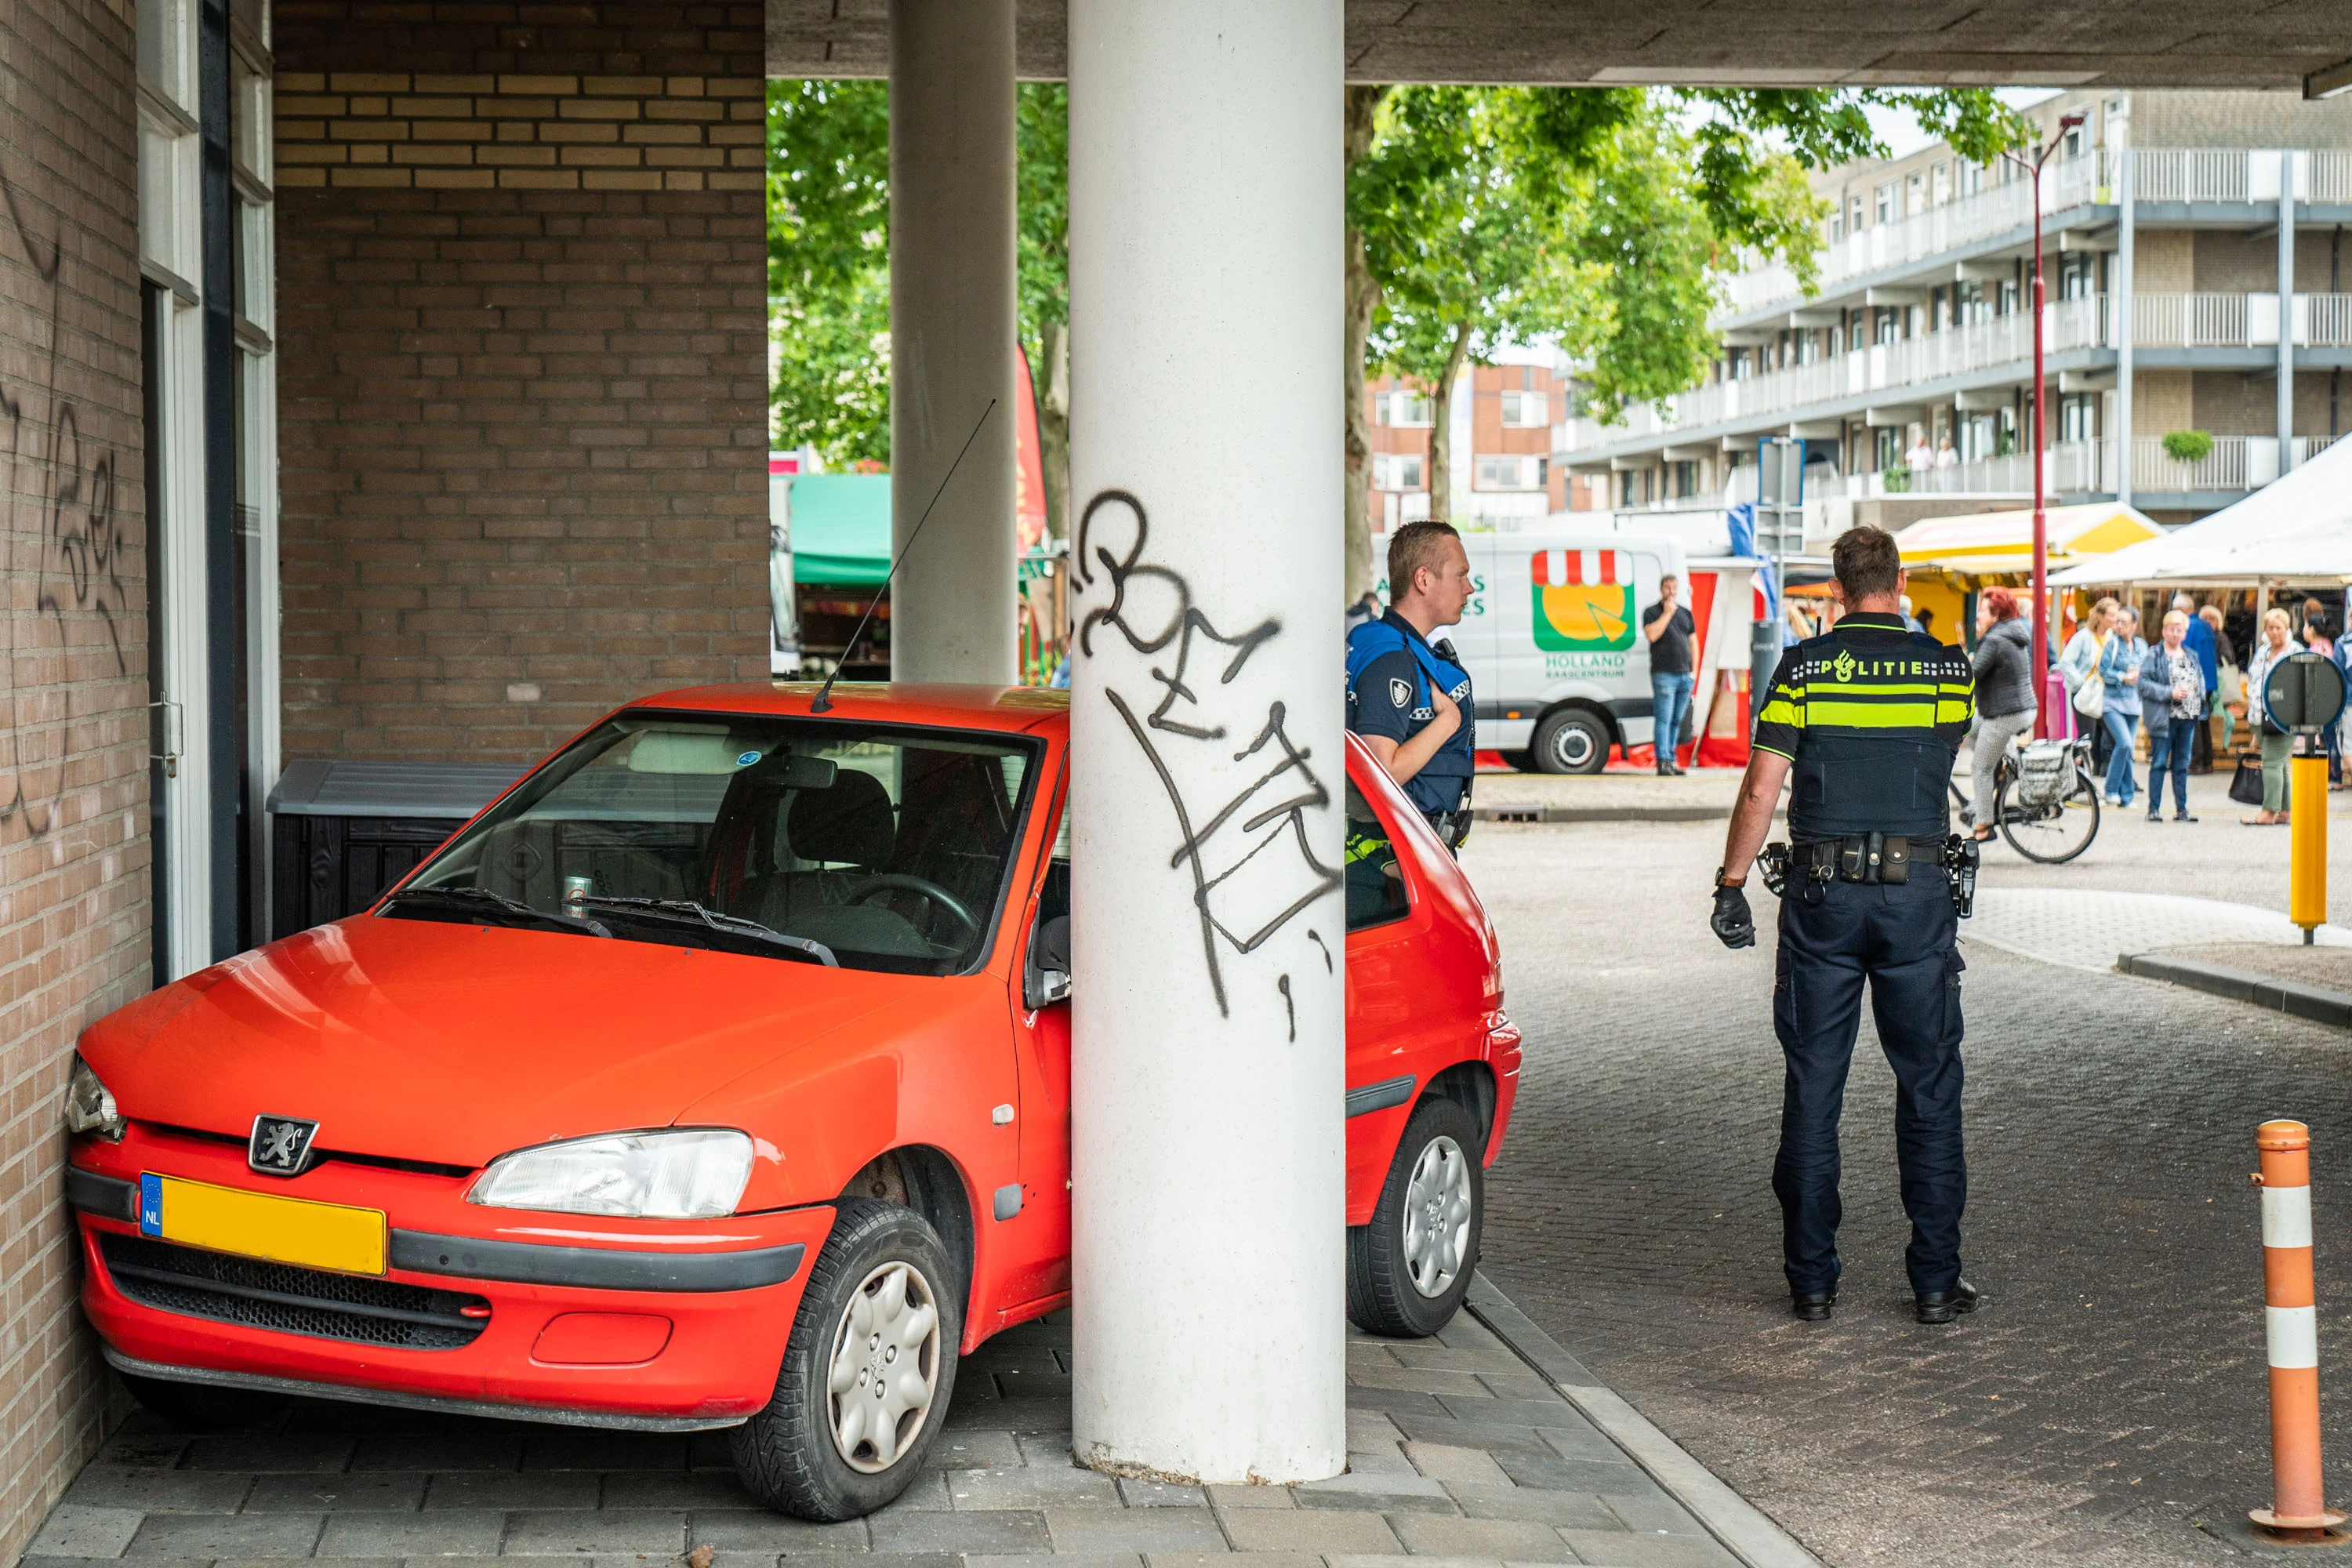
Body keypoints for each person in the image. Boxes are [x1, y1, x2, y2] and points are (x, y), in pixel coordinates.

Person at [1706, 525, 1980, 1328]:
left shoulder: (1804, 666)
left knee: (1815, 1084)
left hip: (1821, 898)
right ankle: (1935, 1280)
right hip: (1918, 895)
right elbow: (1939, 754)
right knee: (1928, 1086)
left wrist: (1730, 882)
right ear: (1899, 582)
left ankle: (1812, 1282)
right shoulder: (1942, 667)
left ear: (1836, 586)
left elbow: (1762, 787)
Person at [1346, 520, 1476, 848]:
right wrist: (1448, 722)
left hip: (1406, 852)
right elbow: (1380, 771)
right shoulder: (1392, 659)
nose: (1469, 588)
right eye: (1460, 575)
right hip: (1392, 863)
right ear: (1423, 579)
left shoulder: (1389, 643)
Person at [1968, 588, 2035, 844]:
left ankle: (1984, 825)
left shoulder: (1994, 640)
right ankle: (2003, 764)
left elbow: (1971, 675)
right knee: (1968, 729)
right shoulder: (2012, 632)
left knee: (1980, 767)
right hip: (2019, 709)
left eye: (1982, 612)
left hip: (2006, 713)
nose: (1978, 618)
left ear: (1995, 615)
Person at [2140, 609, 2205, 822]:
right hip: (2163, 716)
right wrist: (2170, 693)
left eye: (2179, 630)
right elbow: (2143, 684)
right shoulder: (2154, 655)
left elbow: (2199, 679)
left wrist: (2199, 701)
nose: (2175, 634)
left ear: (2185, 633)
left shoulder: (2191, 655)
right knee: (2159, 762)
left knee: (2182, 764)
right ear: (2163, 631)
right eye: (2171, 629)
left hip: (2188, 717)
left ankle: (2182, 809)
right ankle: (2154, 809)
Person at [2245, 608, 2296, 826]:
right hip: (2259, 716)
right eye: (2270, 628)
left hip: (2282, 717)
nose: (2274, 632)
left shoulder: (2295, 652)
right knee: (2281, 764)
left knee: (2272, 762)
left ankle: (2269, 811)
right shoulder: (2263, 651)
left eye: (2279, 628)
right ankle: (2285, 811)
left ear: (2287, 628)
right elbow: (2254, 679)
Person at [1642, 574, 1697, 775]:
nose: (1671, 592)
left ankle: (1671, 760)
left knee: (1677, 720)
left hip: (1685, 676)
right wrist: (1666, 614)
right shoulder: (1652, 612)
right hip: (1664, 675)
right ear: (1661, 589)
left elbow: (1693, 642)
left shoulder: (1685, 613)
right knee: (1664, 719)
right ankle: (1662, 761)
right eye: (1668, 588)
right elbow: (1652, 635)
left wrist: (1694, 671)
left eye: (1674, 588)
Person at [2098, 606, 2146, 808]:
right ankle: (2110, 790)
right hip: (2112, 702)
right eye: (2117, 621)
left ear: (2134, 625)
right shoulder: (2112, 645)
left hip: (2133, 704)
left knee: (2127, 750)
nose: (2118, 626)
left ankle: (2127, 797)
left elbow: (2148, 669)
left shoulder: (2142, 646)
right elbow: (2103, 671)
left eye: (2123, 622)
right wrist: (2122, 677)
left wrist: (2140, 677)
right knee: (2124, 743)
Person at [2057, 597, 2114, 750]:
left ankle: (2101, 768)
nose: (2114, 619)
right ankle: (2085, 767)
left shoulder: (2112, 638)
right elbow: (2066, 661)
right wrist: (2079, 683)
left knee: (2108, 732)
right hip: (2084, 690)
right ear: (2100, 616)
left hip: (2103, 691)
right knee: (2088, 734)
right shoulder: (2084, 636)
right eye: (2111, 615)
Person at [2177, 593, 2220, 772]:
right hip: (2209, 680)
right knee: (2203, 720)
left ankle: (2195, 762)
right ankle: (2207, 761)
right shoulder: (2204, 624)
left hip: (2195, 680)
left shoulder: (2188, 626)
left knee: (2192, 720)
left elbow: (2184, 654)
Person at [2308, 616, 2343, 787]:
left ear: (2311, 629)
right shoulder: (2328, 646)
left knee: (2330, 739)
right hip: (2329, 700)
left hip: (2324, 701)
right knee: (2329, 739)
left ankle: (2335, 778)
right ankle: (2332, 776)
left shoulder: (2318, 648)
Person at [2201, 604, 2238, 757]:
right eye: (2205, 618)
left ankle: (2220, 745)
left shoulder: (2220, 638)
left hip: (2217, 684)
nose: (2209, 621)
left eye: (2212, 618)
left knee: (2218, 713)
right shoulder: (2200, 637)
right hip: (2205, 683)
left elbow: (2227, 658)